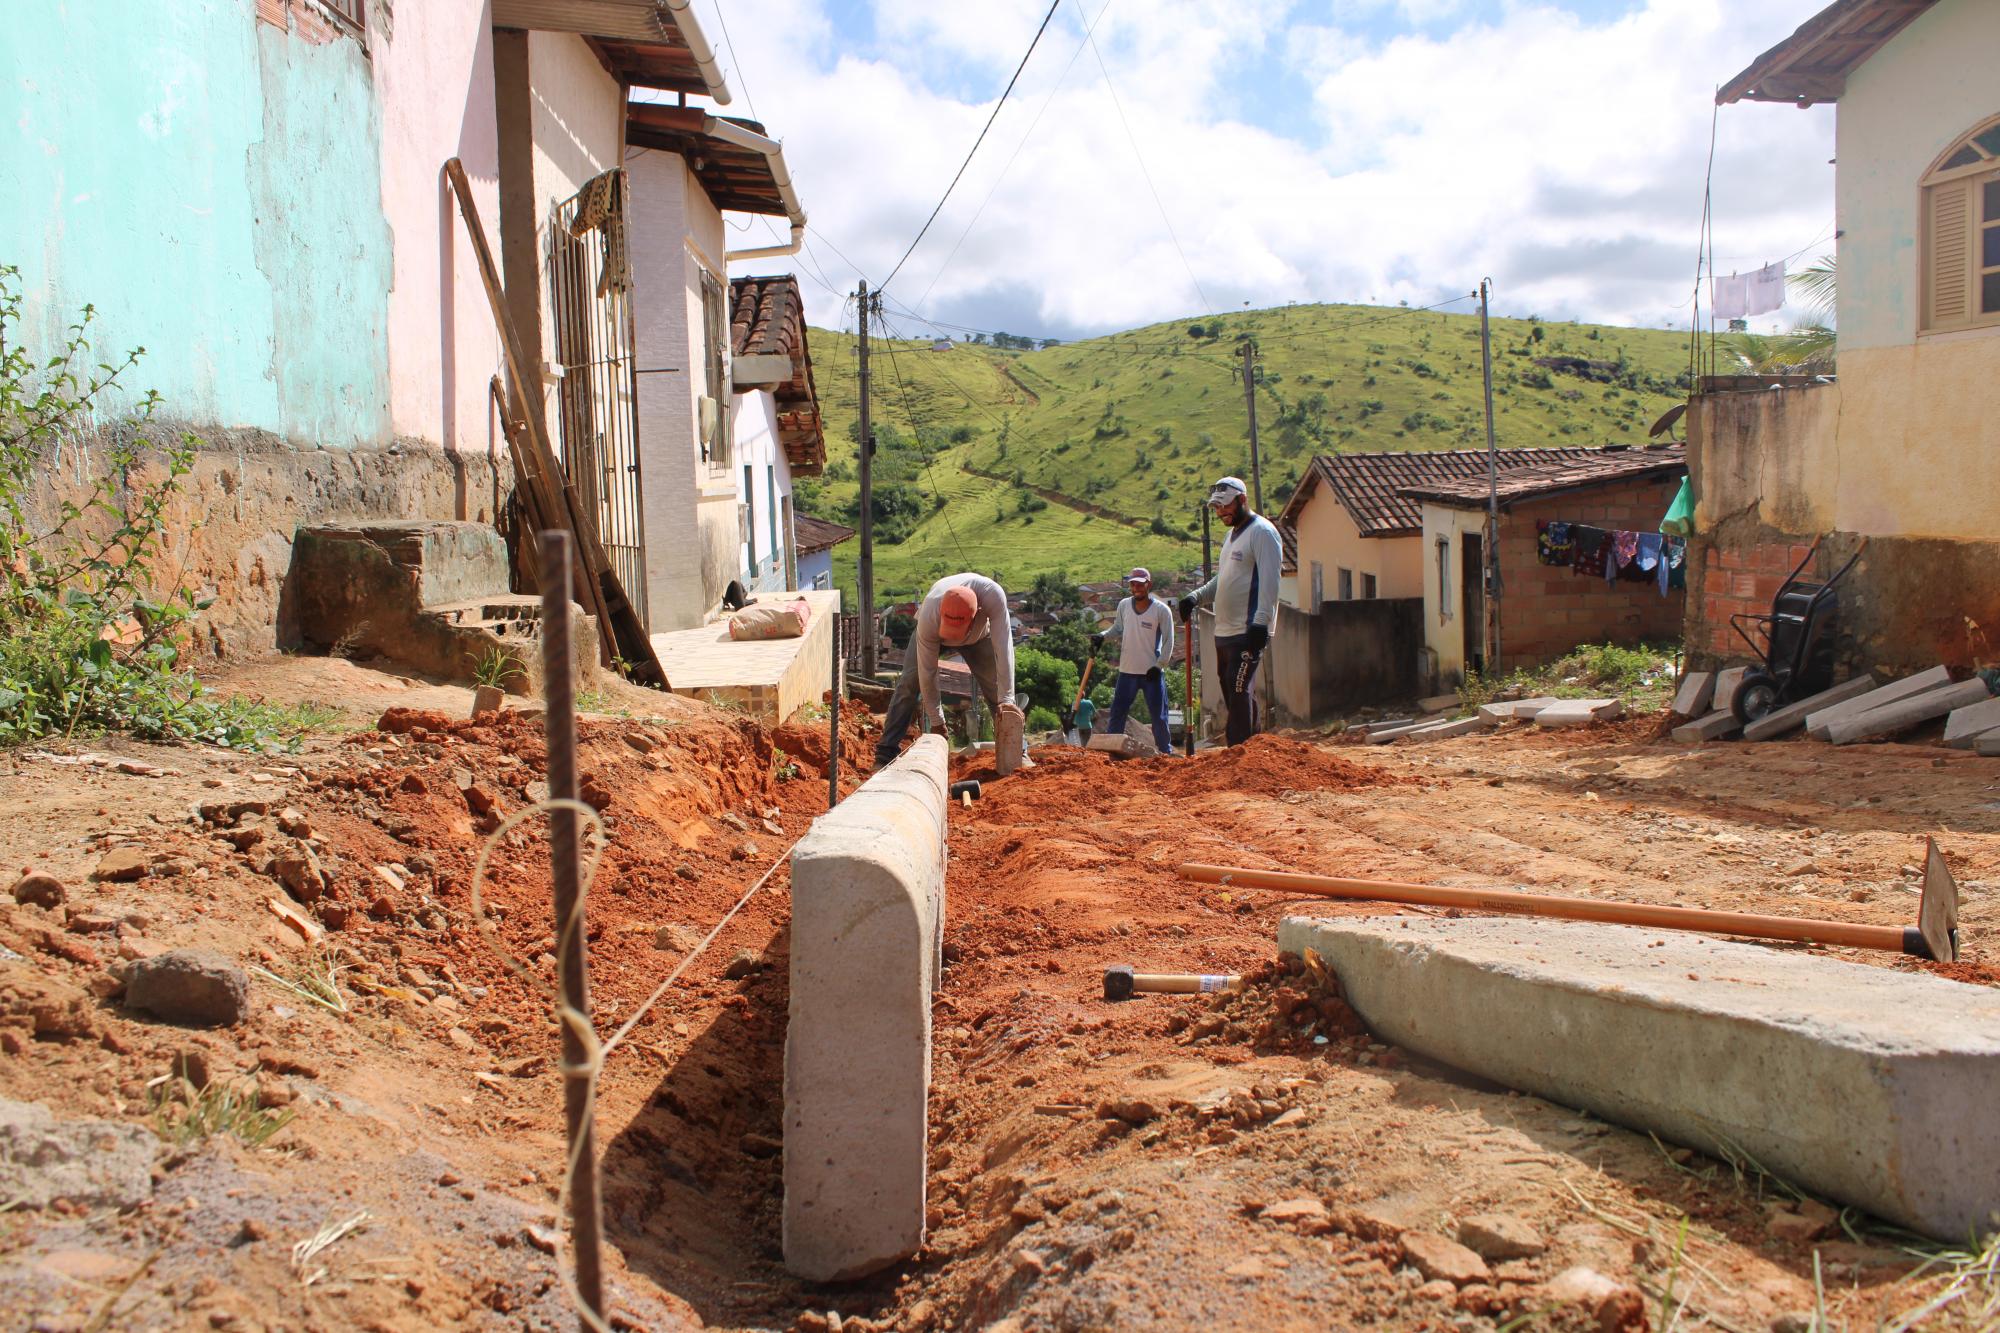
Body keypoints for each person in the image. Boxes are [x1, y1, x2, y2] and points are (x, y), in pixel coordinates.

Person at [875, 572, 1023, 769]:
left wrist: (1007, 700)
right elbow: (927, 673)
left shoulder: (992, 596)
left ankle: (1016, 753)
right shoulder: (929, 616)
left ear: (976, 613)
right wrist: (937, 721)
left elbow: (1003, 648)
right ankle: (885, 753)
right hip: (935, 634)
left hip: (979, 637)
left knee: (997, 690)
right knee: (909, 683)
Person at [1178, 476, 1281, 747]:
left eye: (1225, 506)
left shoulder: (1263, 533)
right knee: (1234, 692)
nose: (1221, 512)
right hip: (1224, 631)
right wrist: (1195, 597)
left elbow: (1271, 582)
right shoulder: (1231, 535)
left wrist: (1261, 622)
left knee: (1238, 690)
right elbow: (1222, 579)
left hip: (1248, 629)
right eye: (1216, 508)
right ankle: (1254, 749)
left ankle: (1238, 751)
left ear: (1242, 500)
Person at [1095, 567, 1175, 754]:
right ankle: (1112, 751)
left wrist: (1159, 665)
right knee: (1117, 713)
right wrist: (1102, 636)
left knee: (1158, 717)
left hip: (1151, 673)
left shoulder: (1161, 610)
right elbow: (1116, 629)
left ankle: (1165, 753)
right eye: (1133, 583)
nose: (1136, 587)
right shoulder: (1124, 605)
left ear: (1149, 584)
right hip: (1127, 671)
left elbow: (1169, 641)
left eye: (1140, 583)